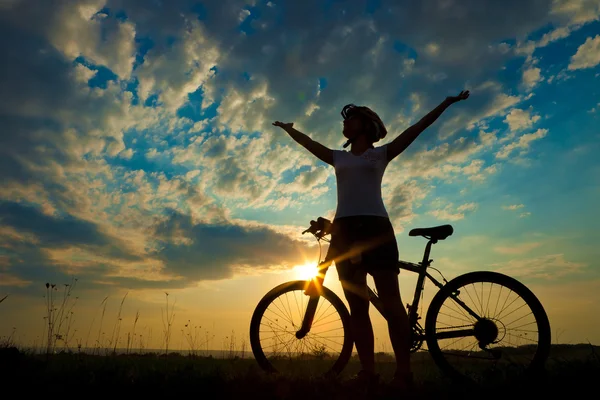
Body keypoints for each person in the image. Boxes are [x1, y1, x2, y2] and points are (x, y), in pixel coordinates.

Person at [272, 90, 470, 391]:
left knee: (391, 304)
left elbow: (416, 129)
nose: (344, 124)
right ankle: (368, 372)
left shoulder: (380, 154)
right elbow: (311, 146)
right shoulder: (338, 157)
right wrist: (290, 130)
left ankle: (403, 373)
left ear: (364, 125)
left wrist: (446, 103)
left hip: (376, 229)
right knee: (358, 308)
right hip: (345, 232)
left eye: (349, 119)